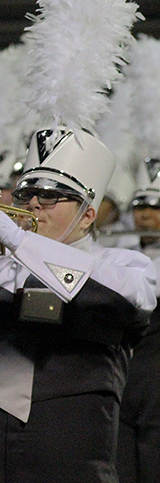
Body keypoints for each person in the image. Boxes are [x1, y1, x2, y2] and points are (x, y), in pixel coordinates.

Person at [0, 126, 156, 482]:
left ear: (87, 214)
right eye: (27, 194)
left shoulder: (124, 265)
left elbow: (118, 299)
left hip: (70, 459)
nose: (34, 204)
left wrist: (21, 243)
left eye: (51, 196)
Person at [116, 158, 160, 483]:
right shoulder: (118, 252)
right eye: (139, 206)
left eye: (155, 207)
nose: (145, 215)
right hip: (124, 380)